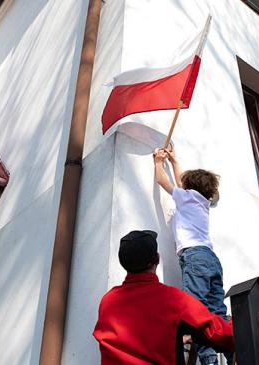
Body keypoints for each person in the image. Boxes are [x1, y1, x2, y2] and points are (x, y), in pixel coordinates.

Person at [93, 230, 234, 365]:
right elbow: (218, 332)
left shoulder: (108, 301)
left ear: (123, 263)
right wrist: (238, 323)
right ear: (157, 259)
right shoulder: (173, 300)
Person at [154, 147, 230, 365]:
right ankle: (231, 349)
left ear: (189, 188)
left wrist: (159, 162)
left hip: (195, 256)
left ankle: (207, 359)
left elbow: (163, 181)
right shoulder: (202, 202)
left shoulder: (186, 197)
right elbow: (181, 183)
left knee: (196, 310)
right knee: (216, 311)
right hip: (211, 258)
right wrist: (175, 160)